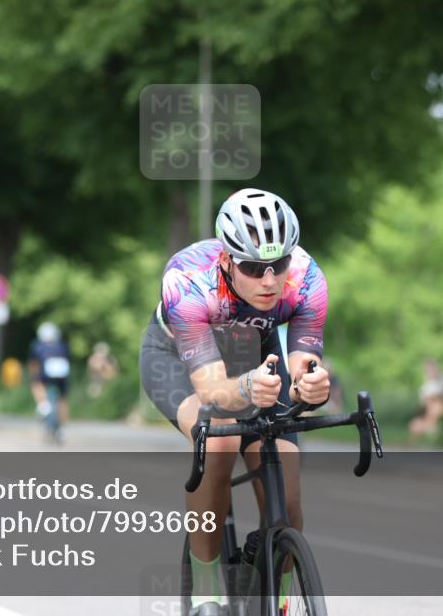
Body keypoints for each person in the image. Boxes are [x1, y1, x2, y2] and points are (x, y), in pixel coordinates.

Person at [139, 188, 330, 616]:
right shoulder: (187, 281)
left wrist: (310, 386)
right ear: (227, 260)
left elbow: (302, 365)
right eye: (253, 267)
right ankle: (206, 588)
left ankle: (279, 593)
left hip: (254, 354)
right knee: (220, 439)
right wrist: (245, 389)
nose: (269, 281)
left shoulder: (307, 279)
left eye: (279, 265)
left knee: (288, 496)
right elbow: (213, 391)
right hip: (177, 361)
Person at [28, 321, 71, 444]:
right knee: (63, 399)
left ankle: (43, 405)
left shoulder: (37, 346)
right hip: (62, 375)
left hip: (46, 375)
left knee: (37, 385)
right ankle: (62, 430)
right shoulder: (63, 346)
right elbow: (68, 361)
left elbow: (34, 364)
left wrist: (33, 377)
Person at [409, 358, 443, 438]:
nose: (431, 372)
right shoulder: (426, 389)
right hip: (431, 411)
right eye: (429, 370)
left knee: (434, 402)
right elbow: (425, 405)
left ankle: (428, 427)